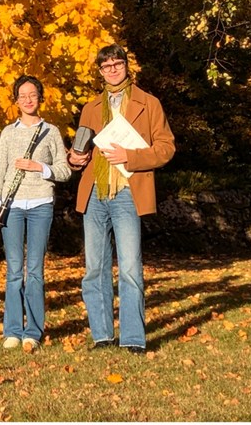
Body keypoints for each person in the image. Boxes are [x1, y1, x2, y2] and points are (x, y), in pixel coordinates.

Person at [67, 43, 175, 354]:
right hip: (94, 192)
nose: (112, 70)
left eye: (117, 64)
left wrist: (130, 156)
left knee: (129, 268)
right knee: (95, 269)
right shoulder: (90, 107)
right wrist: (76, 159)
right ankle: (102, 335)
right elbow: (83, 149)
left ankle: (133, 338)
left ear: (127, 66)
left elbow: (166, 148)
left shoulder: (148, 103)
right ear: (99, 71)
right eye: (106, 66)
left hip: (128, 191)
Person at [0, 75, 71, 353]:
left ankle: (33, 331)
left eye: (32, 94)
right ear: (16, 100)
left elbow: (65, 170)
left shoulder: (52, 131)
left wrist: (39, 167)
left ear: (40, 97)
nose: (28, 100)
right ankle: (11, 330)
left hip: (40, 204)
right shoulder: (8, 132)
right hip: (12, 206)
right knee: (13, 271)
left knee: (34, 271)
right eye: (22, 95)